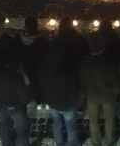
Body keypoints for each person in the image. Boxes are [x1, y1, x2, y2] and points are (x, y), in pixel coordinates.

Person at [39, 18, 89, 146]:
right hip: (67, 103)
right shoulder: (68, 73)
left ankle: (59, 142)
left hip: (53, 101)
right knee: (70, 125)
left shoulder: (47, 67)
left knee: (56, 122)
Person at [0, 46, 31, 146]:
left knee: (4, 125)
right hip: (15, 107)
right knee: (21, 130)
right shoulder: (15, 77)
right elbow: (25, 98)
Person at [80, 34, 120, 146]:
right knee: (109, 121)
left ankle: (96, 141)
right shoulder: (109, 62)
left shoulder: (84, 63)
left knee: (93, 121)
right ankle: (108, 141)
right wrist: (116, 92)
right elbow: (116, 82)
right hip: (108, 96)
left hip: (92, 96)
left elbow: (82, 82)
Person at [17, 16, 48, 104]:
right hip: (38, 66)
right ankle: (39, 100)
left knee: (28, 83)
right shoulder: (41, 40)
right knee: (37, 84)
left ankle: (30, 97)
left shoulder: (19, 38)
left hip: (25, 66)